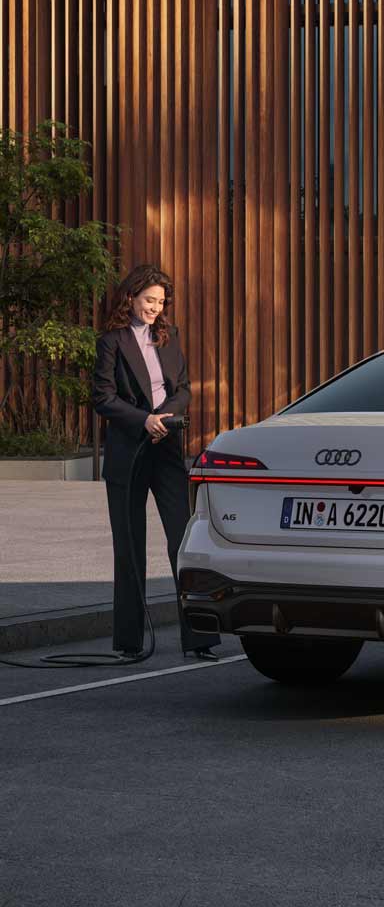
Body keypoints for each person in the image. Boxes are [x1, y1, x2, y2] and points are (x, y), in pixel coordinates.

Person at [92, 263, 220, 662]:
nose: (155, 308)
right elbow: (103, 398)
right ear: (131, 297)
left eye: (161, 302)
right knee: (129, 547)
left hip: (166, 448)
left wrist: (165, 417)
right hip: (128, 452)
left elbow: (183, 389)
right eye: (149, 300)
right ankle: (129, 643)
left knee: (183, 540)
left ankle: (199, 639)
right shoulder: (111, 341)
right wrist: (143, 420)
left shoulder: (169, 335)